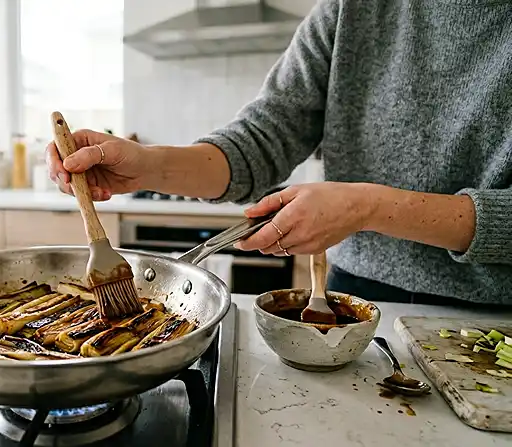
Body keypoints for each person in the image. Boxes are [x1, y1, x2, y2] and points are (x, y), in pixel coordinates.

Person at [45, 0, 512, 306]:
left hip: (491, 316)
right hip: (349, 301)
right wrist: (149, 165)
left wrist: (366, 207)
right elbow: (261, 139)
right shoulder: (352, 10)